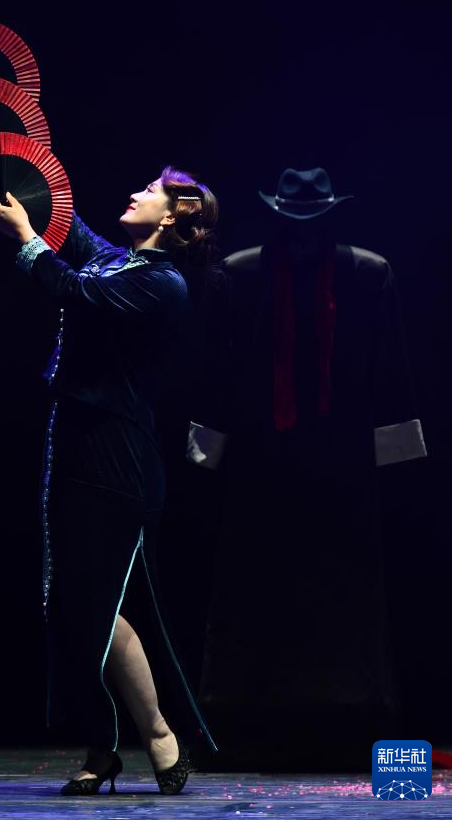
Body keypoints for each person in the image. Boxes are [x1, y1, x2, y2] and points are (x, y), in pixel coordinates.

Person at [0, 166, 218, 794]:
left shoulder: (162, 284)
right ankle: (107, 742)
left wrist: (25, 238)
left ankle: (156, 735)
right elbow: (70, 227)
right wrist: (20, 156)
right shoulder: (117, 260)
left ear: (171, 216)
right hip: (77, 444)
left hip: (116, 455)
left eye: (152, 191)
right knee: (73, 604)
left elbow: (70, 289)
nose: (137, 192)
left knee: (91, 603)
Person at [188, 167, 427, 770]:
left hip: (340, 456)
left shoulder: (367, 273)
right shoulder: (239, 274)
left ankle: (350, 719)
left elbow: (389, 366)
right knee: (255, 585)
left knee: (342, 588)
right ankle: (241, 722)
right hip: (262, 456)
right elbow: (217, 368)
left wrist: (394, 461)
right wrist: (208, 449)